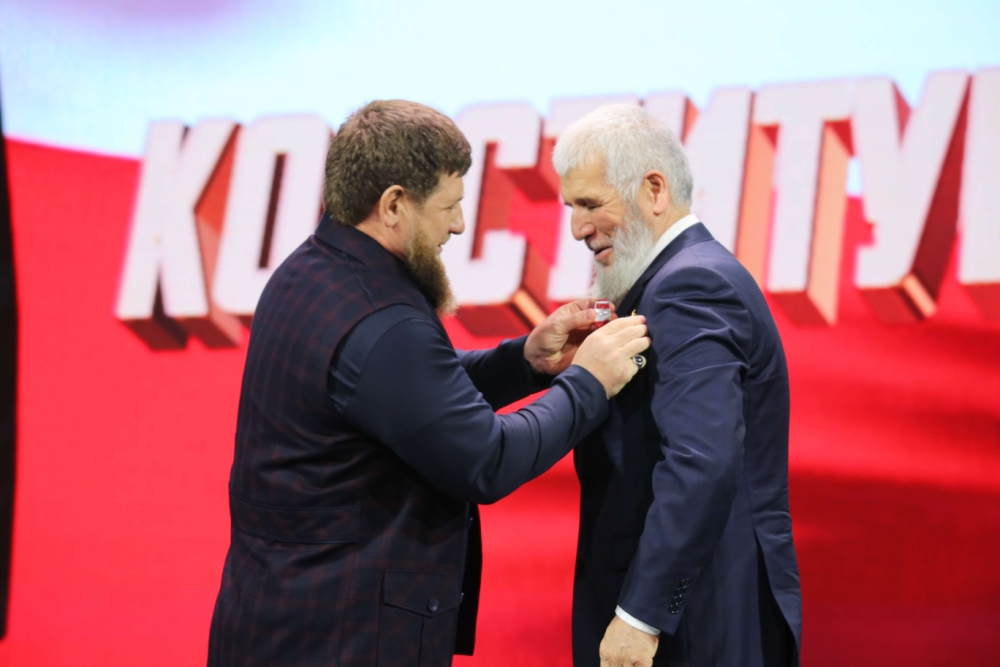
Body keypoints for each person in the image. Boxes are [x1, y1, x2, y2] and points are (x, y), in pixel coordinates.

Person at [207, 100, 650, 667]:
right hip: (344, 640)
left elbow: (408, 394)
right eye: (449, 206)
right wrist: (589, 382)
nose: (458, 225)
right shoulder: (381, 319)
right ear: (394, 205)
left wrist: (525, 362)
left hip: (276, 619)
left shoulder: (311, 271)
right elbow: (487, 460)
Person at [552, 105, 802, 667]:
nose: (578, 228)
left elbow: (703, 460)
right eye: (572, 208)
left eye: (590, 203)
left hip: (693, 629)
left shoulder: (689, 284)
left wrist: (641, 616)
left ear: (654, 190)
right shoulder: (678, 279)